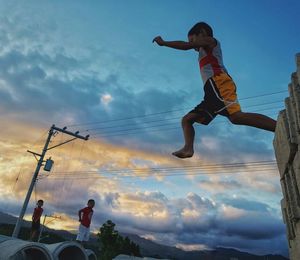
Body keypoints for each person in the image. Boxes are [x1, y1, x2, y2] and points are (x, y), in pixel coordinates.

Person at [153, 22, 277, 159]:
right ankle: (188, 149)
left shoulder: (210, 41)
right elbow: (186, 44)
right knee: (187, 120)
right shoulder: (202, 50)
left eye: (192, 40)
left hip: (219, 82)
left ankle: (278, 126)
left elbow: (184, 45)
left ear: (202, 33)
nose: (192, 45)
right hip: (211, 89)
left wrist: (164, 43)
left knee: (236, 116)